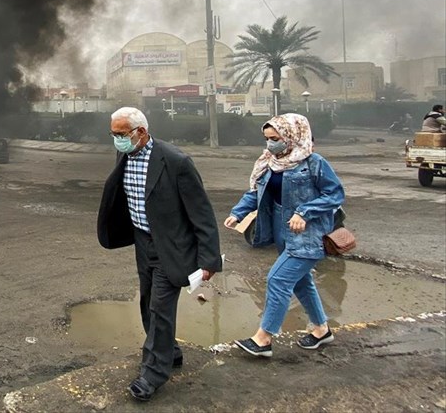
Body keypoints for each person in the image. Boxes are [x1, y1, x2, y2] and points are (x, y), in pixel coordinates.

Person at [97, 107, 222, 402]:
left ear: (140, 132)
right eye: (112, 134)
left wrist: (209, 260)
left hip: (171, 246)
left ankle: (153, 373)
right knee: (146, 300)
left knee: (160, 308)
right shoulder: (125, 154)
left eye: (120, 135)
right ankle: (171, 351)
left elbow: (202, 213)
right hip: (143, 242)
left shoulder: (176, 161)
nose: (116, 140)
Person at [225, 113, 345, 358]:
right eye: (267, 138)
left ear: (292, 136)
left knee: (278, 280)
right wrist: (238, 213)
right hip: (281, 230)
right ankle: (322, 330)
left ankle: (263, 338)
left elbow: (335, 195)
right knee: (301, 282)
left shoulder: (314, 162)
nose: (270, 144)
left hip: (308, 234)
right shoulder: (270, 161)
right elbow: (256, 192)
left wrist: (305, 212)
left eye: (275, 138)